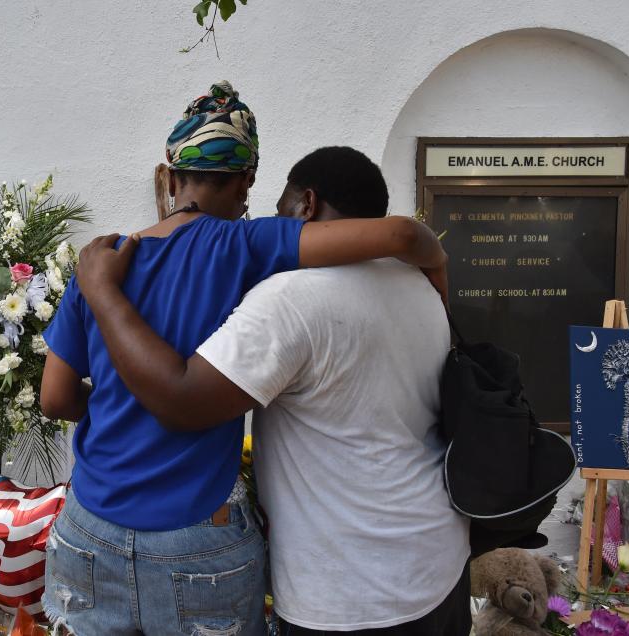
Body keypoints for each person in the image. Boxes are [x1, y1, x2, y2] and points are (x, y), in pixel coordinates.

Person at [39, 83, 449, 634]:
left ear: (171, 170)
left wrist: (116, 401)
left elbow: (55, 398)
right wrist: (437, 269)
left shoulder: (98, 263)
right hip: (195, 534)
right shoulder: (250, 246)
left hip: (88, 528)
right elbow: (399, 233)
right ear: (246, 181)